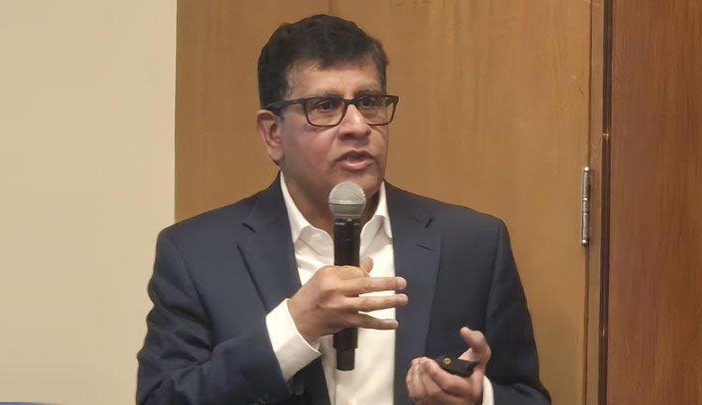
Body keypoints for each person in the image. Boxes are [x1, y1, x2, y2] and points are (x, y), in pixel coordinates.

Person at [137, 14, 550, 405]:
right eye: (325, 106)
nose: (357, 126)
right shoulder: (197, 254)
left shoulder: (473, 244)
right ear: (273, 133)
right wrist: (294, 328)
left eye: (369, 102)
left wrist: (478, 399)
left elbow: (526, 396)